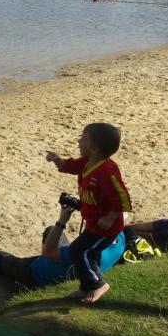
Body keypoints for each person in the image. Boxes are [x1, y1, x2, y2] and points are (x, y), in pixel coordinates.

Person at [46, 123, 132, 303]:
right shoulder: (87, 162)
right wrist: (58, 160)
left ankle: (99, 284)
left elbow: (123, 198)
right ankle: (86, 288)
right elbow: (70, 166)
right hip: (93, 223)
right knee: (88, 253)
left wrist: (110, 217)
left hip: (106, 228)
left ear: (94, 149)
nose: (78, 141)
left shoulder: (107, 171)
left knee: (79, 251)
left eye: (83, 139)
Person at [0, 205, 126, 288]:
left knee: (1, 258)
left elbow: (48, 252)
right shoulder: (120, 240)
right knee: (50, 231)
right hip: (64, 265)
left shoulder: (80, 252)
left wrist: (62, 220)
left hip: (38, 275)